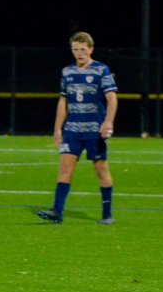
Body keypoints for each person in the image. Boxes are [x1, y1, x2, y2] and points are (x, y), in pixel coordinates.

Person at [38, 31, 118, 225]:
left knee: (101, 170)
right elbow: (63, 101)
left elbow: (112, 98)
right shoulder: (67, 72)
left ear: (91, 49)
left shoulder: (101, 70)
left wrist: (108, 122)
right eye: (75, 49)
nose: (79, 53)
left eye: (83, 49)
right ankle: (57, 213)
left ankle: (107, 214)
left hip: (94, 131)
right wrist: (58, 129)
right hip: (72, 130)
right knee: (64, 170)